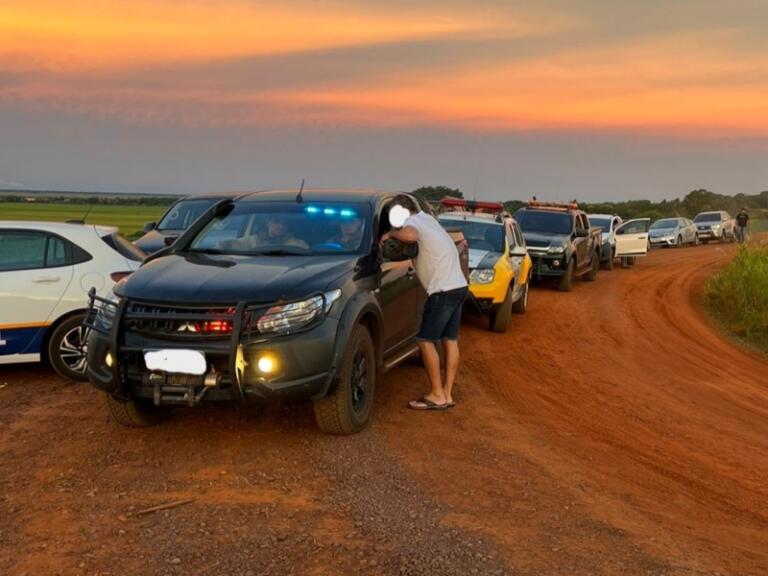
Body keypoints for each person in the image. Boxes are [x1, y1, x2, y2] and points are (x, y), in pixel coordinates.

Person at [380, 194, 468, 411]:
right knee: (450, 339)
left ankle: (437, 395)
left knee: (424, 340)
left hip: (442, 290)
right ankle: (447, 393)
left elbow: (409, 236)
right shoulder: (429, 219)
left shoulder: (412, 223)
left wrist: (389, 234)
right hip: (458, 285)